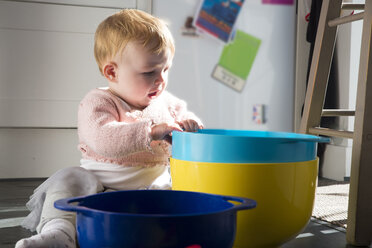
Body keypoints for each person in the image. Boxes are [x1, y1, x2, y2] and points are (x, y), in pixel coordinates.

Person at [16, 9, 203, 248]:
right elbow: (104, 138)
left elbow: (185, 118)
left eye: (165, 69)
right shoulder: (98, 102)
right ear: (112, 72)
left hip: (151, 189)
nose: (160, 80)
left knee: (179, 189)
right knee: (68, 180)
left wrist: (190, 125)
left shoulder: (167, 103)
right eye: (149, 72)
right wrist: (151, 132)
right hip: (98, 189)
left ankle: (162, 232)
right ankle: (60, 232)